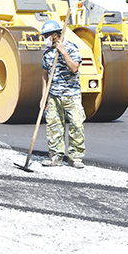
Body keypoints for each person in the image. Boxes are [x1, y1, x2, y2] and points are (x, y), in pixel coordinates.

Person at [39, 19, 86, 168]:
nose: (45, 39)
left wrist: (63, 52)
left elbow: (74, 68)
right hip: (54, 95)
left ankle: (76, 157)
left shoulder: (71, 48)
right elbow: (45, 75)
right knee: (54, 126)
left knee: (76, 125)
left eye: (47, 35)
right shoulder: (47, 53)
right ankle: (55, 156)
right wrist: (43, 97)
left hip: (71, 94)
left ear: (56, 35)